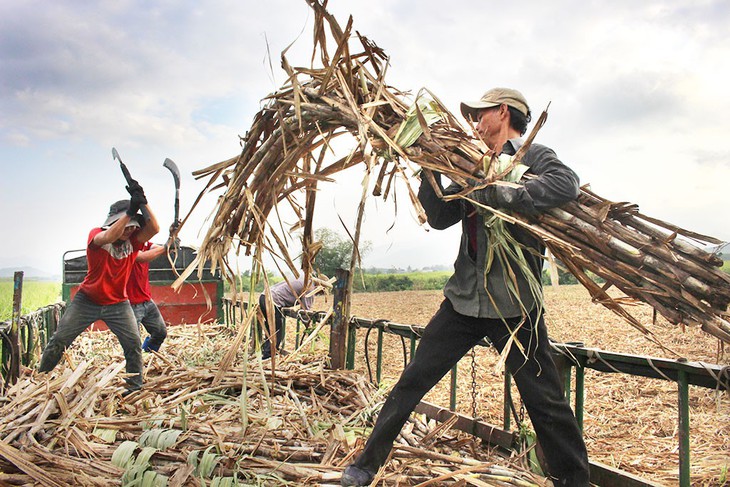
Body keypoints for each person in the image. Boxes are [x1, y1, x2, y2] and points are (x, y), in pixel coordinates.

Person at [342, 88, 590, 486]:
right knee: (412, 381)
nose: (475, 122)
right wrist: (427, 167)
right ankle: (365, 466)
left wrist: (501, 191)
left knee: (545, 401)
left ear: (503, 112)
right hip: (464, 300)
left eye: (481, 113)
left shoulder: (533, 156)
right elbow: (441, 216)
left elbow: (566, 186)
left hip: (515, 304)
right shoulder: (469, 163)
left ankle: (574, 481)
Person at [39, 182, 160, 393]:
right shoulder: (97, 235)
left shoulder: (134, 242)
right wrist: (131, 211)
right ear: (114, 222)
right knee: (59, 340)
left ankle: (134, 389)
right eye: (127, 224)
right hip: (87, 301)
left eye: (133, 226)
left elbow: (155, 229)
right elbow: (109, 236)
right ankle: (40, 381)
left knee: (133, 345)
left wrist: (143, 203)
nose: (129, 229)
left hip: (118, 304)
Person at [127, 238, 170, 353]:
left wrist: (172, 238)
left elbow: (164, 250)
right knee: (133, 342)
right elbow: (142, 257)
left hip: (147, 301)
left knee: (160, 333)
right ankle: (136, 366)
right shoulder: (125, 245)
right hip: (129, 305)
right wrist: (166, 247)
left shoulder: (145, 244)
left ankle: (147, 354)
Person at [257, 277, 315, 359]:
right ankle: (269, 355)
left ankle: (267, 351)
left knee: (270, 328)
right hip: (273, 301)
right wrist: (309, 328)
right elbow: (305, 310)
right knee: (276, 330)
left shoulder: (301, 279)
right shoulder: (310, 286)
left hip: (264, 296)